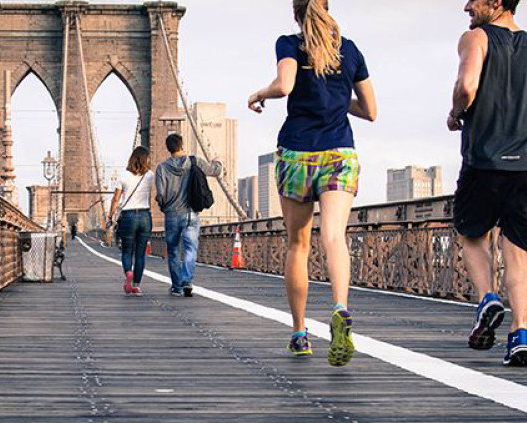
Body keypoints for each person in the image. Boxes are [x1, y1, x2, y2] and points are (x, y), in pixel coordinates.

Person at [247, 0, 376, 365]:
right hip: (339, 153)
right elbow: (370, 110)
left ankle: (300, 333)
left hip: (297, 153)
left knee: (297, 245)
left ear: (296, 13)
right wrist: (338, 97)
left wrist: (259, 93)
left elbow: (285, 84)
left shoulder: (289, 43)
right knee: (334, 235)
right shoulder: (350, 50)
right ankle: (340, 307)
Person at [447, 0, 527, 367]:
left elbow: (467, 87)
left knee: (472, 234)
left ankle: (487, 299)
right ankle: (520, 335)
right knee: (518, 250)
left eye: (475, 0)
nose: (466, 6)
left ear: (497, 3)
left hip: (485, 160)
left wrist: (457, 114)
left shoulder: (476, 38)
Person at [155, 133, 223, 298]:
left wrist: (165, 207)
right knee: (190, 249)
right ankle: (187, 280)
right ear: (182, 145)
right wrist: (217, 162)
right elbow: (216, 171)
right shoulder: (195, 161)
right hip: (191, 214)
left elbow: (161, 195)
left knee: (173, 251)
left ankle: (177, 287)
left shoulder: (162, 168)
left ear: (168, 148)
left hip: (172, 214)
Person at [108, 147, 155, 296]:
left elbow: (116, 199)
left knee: (127, 251)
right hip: (145, 216)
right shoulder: (149, 175)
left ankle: (129, 272)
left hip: (128, 216)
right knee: (140, 254)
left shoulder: (123, 175)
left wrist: (110, 216)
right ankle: (136, 285)